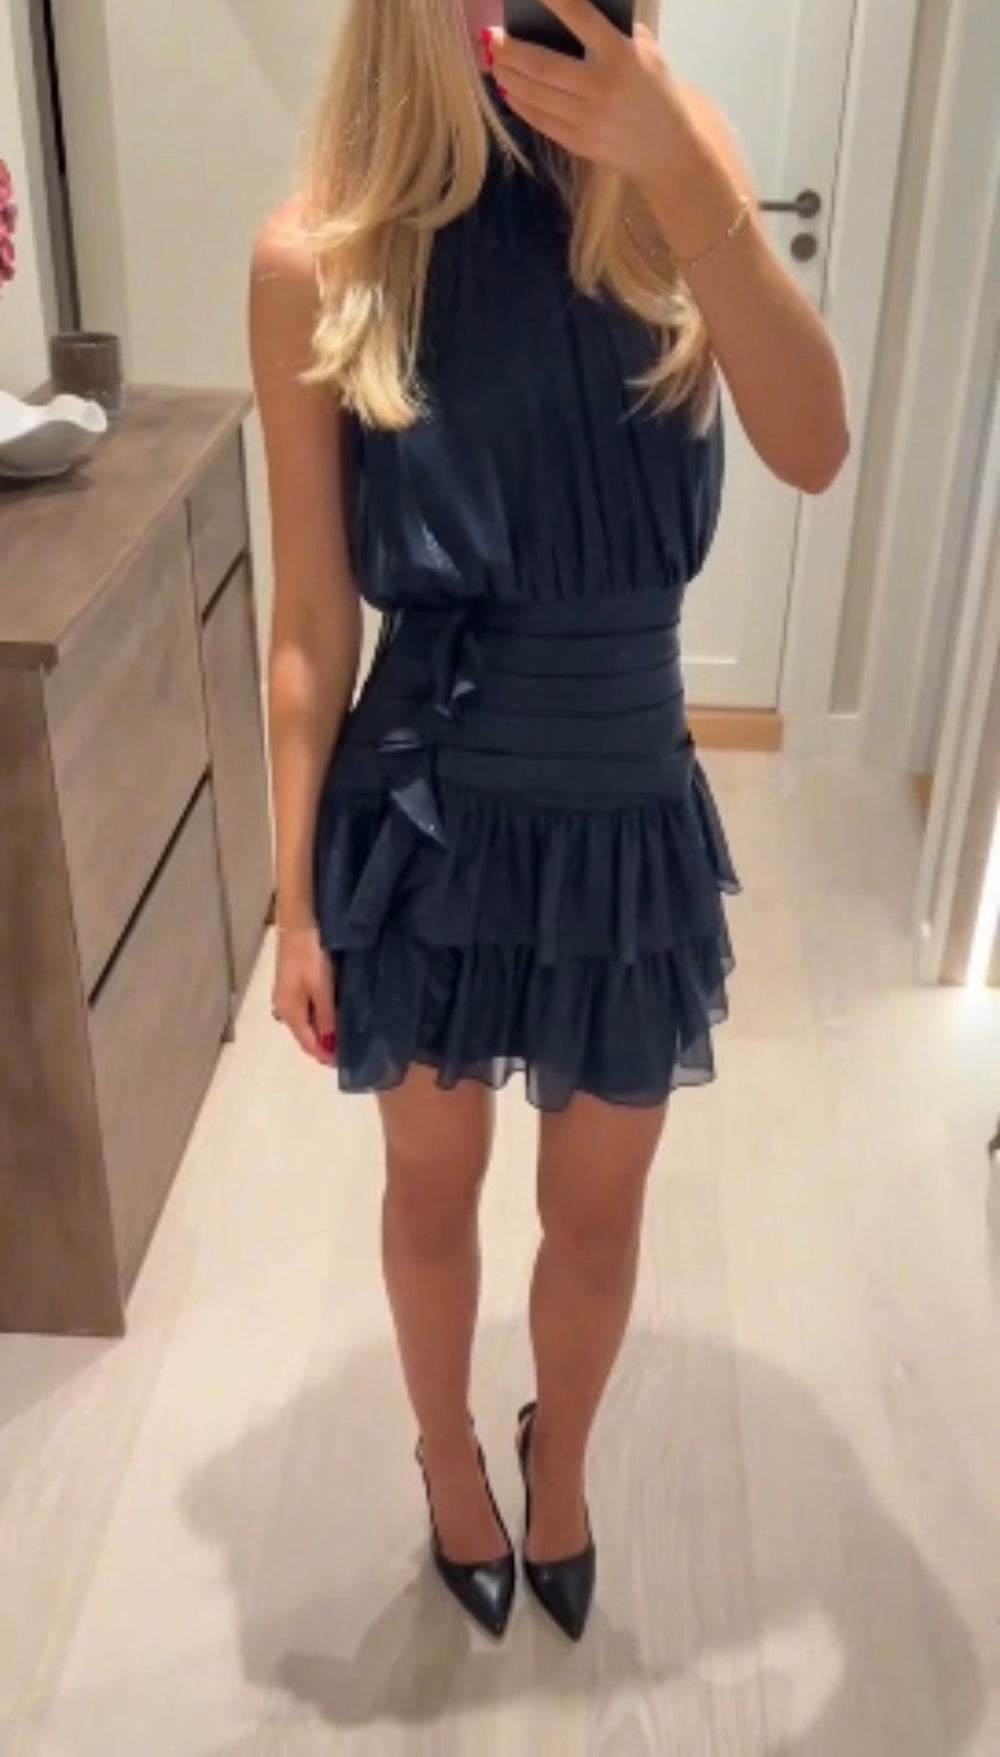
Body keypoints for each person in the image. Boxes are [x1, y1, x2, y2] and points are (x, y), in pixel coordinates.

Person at [252, 0, 848, 1644]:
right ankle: (449, 1455)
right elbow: (311, 616)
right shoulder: (322, 249)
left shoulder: (677, 170)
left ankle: (560, 1457)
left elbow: (814, 445)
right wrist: (296, 898)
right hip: (426, 809)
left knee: (597, 1208)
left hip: (620, 796)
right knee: (429, 1184)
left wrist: (682, 171)